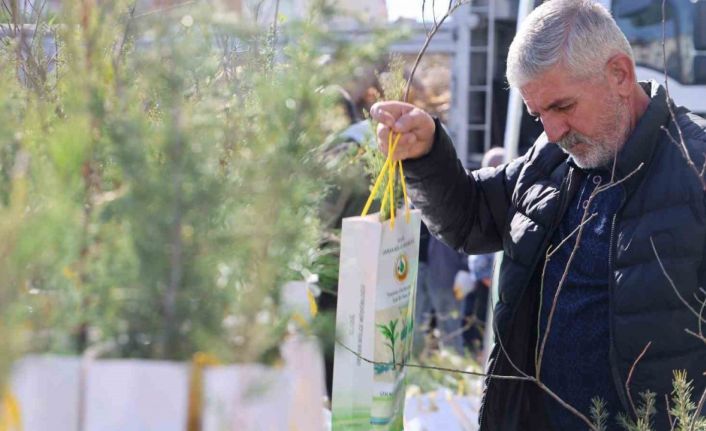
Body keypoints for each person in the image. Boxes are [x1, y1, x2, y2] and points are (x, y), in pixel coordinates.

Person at [369, 0, 706, 429]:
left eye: (562, 107)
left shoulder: (696, 169)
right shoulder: (549, 160)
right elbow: (472, 216)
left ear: (619, 74)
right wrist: (427, 154)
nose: (552, 131)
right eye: (537, 114)